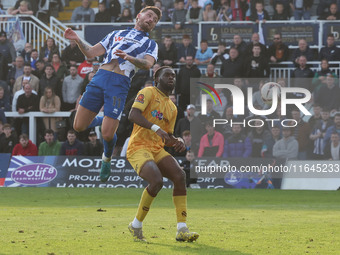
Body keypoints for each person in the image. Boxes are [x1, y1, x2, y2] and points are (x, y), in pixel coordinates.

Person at [64, 6, 161, 182]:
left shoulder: (150, 44)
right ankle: (104, 119)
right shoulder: (116, 33)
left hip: (119, 83)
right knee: (78, 126)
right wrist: (77, 39)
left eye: (154, 20)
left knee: (107, 134)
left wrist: (129, 57)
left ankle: (106, 159)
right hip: (100, 77)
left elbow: (147, 64)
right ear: (139, 16)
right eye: (149, 15)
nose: (151, 19)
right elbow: (91, 53)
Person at [126, 66, 199, 242]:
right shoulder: (148, 92)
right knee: (156, 180)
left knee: (180, 176)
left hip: (157, 148)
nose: (171, 78)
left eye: (174, 76)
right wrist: (156, 128)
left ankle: (182, 229)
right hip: (139, 147)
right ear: (156, 77)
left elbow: (166, 136)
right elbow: (133, 114)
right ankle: (136, 224)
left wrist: (177, 141)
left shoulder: (172, 108)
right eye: (167, 75)